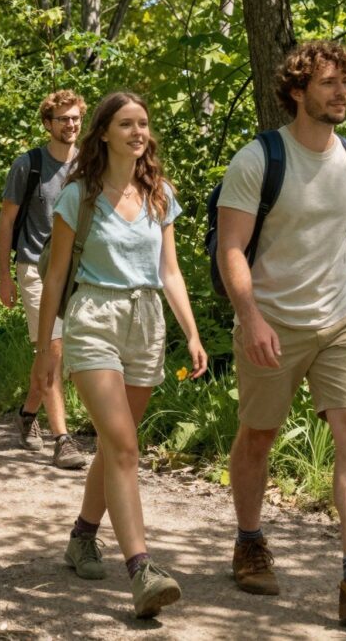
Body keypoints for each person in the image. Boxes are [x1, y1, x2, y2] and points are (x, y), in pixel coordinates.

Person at [217, 42, 346, 621]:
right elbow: (232, 247)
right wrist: (251, 317)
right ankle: (250, 541)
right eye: (329, 83)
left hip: (340, 321)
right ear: (298, 91)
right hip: (272, 321)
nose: (341, 93)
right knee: (259, 433)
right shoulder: (259, 159)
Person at [38, 91, 206, 619]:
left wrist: (193, 333)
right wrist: (46, 349)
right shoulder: (78, 197)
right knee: (125, 446)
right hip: (94, 320)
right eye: (127, 123)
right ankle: (142, 570)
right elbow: (56, 276)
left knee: (117, 448)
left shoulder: (160, 195)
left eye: (145, 123)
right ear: (105, 132)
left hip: (148, 322)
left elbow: (170, 272)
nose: (139, 132)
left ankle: (83, 536)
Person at [0, 89, 88, 470]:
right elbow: (6, 221)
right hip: (35, 267)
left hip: (79, 272)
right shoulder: (28, 164)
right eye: (62, 119)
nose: (70, 125)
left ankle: (26, 415)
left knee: (52, 354)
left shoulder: (91, 163)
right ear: (48, 124)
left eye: (75, 118)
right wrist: (4, 274)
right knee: (52, 350)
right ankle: (62, 439)